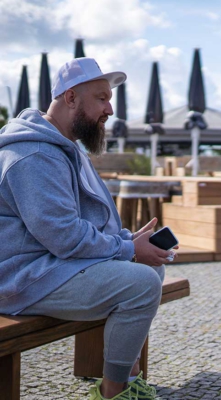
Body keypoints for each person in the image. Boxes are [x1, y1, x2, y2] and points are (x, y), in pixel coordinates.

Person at [0, 58, 178, 400]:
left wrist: (129, 241)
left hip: (48, 265)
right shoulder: (33, 154)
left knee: (150, 270)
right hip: (19, 277)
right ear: (70, 98)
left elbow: (82, 225)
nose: (110, 109)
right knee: (139, 283)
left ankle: (127, 375)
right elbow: (63, 235)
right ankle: (114, 392)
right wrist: (127, 250)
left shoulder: (66, 149)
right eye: (101, 98)